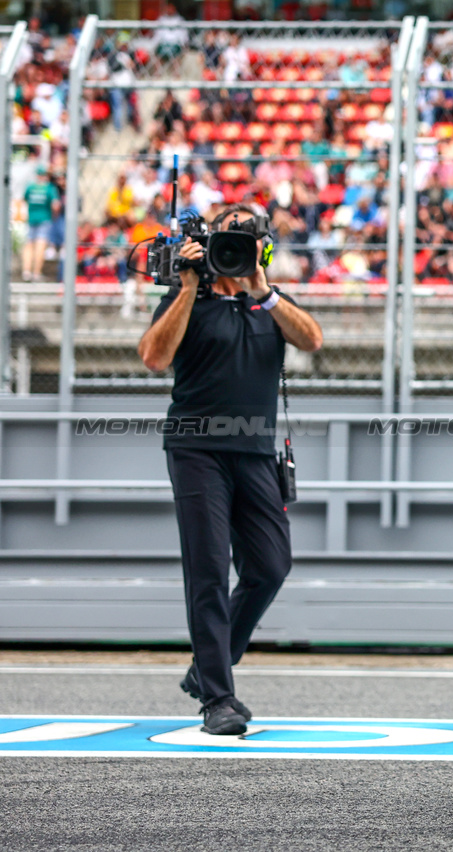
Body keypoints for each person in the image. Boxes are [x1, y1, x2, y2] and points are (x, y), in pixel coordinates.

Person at [136, 204, 323, 736]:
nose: (235, 248)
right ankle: (218, 698)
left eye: (247, 238)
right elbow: (153, 357)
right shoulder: (185, 296)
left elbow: (311, 339)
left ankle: (206, 667)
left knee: (270, 565)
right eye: (228, 236)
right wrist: (190, 283)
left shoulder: (270, 302)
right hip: (196, 451)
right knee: (210, 570)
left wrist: (263, 289)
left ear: (262, 248)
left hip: (257, 451)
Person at [22, 166, 60, 281]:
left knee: (29, 245)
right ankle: (36, 273)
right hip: (45, 219)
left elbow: (24, 200)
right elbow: (56, 205)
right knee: (40, 245)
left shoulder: (30, 187)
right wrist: (54, 217)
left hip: (31, 218)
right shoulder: (49, 188)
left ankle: (26, 271)